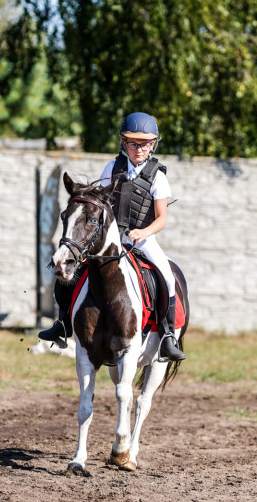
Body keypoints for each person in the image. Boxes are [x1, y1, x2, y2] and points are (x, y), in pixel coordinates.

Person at [38, 111, 186, 361]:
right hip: (111, 240)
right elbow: (99, 203)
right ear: (123, 142)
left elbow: (161, 218)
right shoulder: (112, 167)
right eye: (133, 143)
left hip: (143, 239)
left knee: (167, 278)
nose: (139, 149)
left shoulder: (158, 177)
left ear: (153, 145)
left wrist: (143, 232)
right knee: (70, 270)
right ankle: (63, 324)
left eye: (145, 144)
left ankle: (167, 337)